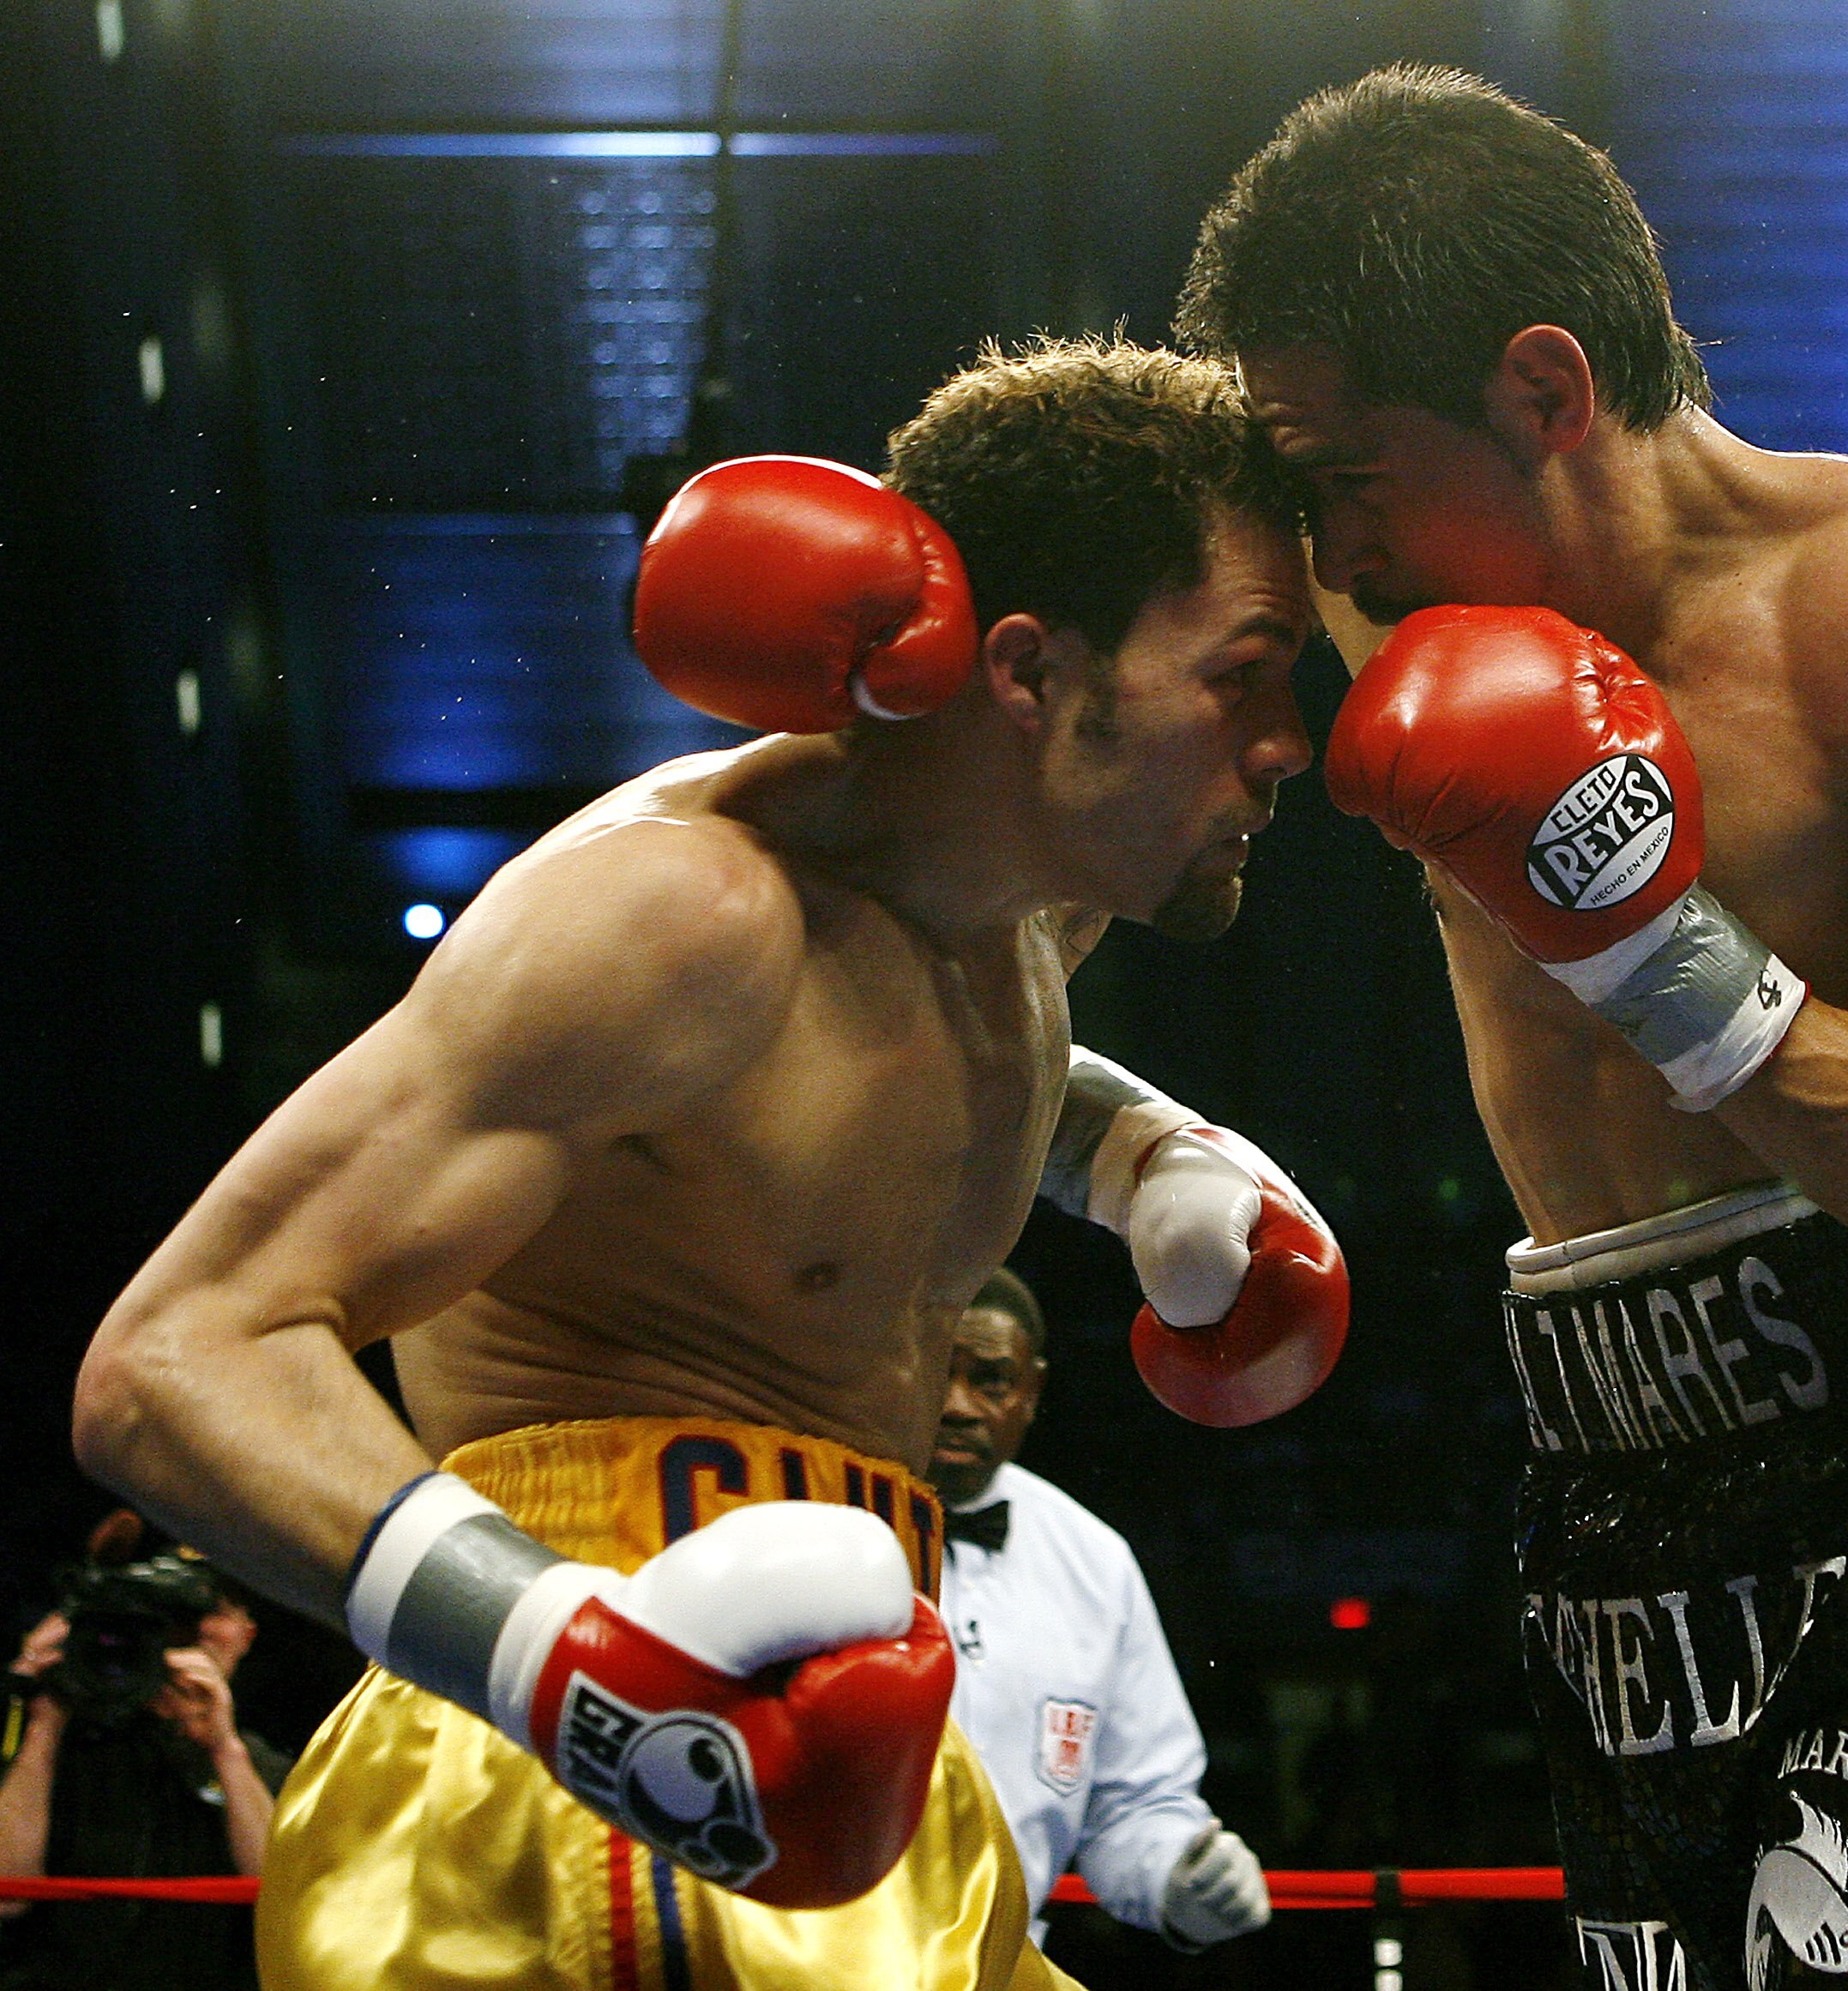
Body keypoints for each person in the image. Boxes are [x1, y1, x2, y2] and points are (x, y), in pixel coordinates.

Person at [69, 337, 1349, 1991]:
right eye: (1244, 672)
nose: (1291, 743)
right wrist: (572, 1667)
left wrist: (1138, 1152)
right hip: (585, 1744)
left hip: (878, 1743)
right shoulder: (681, 918)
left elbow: (862, 1076)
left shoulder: (1032, 918)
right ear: (1031, 676)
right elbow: (171, 1362)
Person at [1177, 67, 1848, 1991]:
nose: (1329, 564)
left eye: (1346, 488)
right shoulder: (1381, 580)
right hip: (1611, 1486)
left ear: (1545, 393)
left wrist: (1647, 945)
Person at [928, 1269, 1269, 1958]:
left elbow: (1135, 1803)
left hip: (1005, 1964)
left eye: (991, 1379)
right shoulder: (812, 1514)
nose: (958, 1405)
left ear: (1032, 1392)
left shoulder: (1094, 1563)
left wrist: (1182, 1875)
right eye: (938, 1371)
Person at [0, 1514, 292, 1991]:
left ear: (247, 1636)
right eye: (179, 1619)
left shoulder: (260, 1765)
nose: (199, 1631)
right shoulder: (51, 1752)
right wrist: (46, 1720)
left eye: (217, 1611)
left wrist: (225, 1750)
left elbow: (286, 1903)